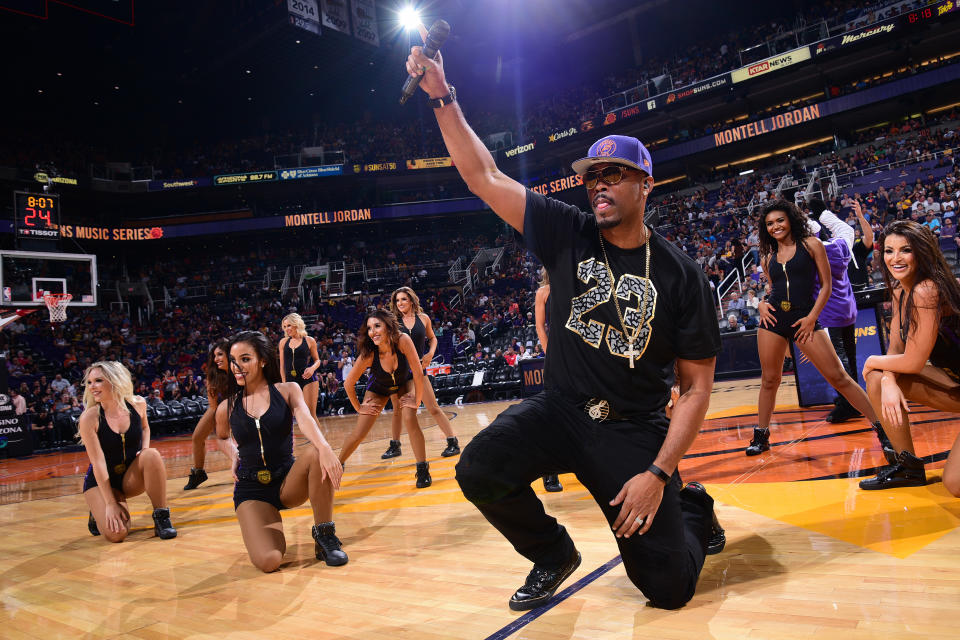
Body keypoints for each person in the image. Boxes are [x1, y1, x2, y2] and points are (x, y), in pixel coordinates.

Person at [406, 35, 724, 612]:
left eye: (614, 173)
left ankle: (693, 509)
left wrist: (658, 471)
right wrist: (441, 96)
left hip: (630, 428)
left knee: (668, 588)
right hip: (559, 409)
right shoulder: (567, 231)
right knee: (479, 468)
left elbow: (697, 388)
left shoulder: (683, 276)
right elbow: (484, 177)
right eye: (591, 174)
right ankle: (552, 552)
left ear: (645, 184)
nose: (598, 183)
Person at [749, 199, 883, 456]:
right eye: (769, 223)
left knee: (839, 377)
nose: (775, 226)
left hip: (805, 318)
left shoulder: (812, 245)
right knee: (769, 380)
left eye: (779, 220)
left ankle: (882, 428)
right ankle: (762, 435)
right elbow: (771, 290)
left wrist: (812, 318)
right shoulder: (768, 257)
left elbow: (827, 286)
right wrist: (761, 305)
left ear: (790, 219)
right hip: (773, 320)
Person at [214, 331, 347, 571]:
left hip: (287, 481)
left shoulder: (287, 390)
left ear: (263, 360)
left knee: (317, 453)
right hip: (252, 489)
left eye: (245, 359)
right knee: (269, 561)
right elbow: (222, 438)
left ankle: (325, 534)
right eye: (234, 361)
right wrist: (234, 453)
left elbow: (305, 418)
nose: (237, 367)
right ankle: (266, 523)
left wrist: (325, 447)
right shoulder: (227, 406)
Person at [857, 221, 960, 491]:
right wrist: (889, 380)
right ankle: (908, 467)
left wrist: (871, 362)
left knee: (955, 484)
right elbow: (896, 350)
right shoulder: (901, 290)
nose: (896, 258)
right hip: (955, 382)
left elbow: (913, 362)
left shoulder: (927, 289)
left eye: (906, 250)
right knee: (879, 379)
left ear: (921, 252)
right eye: (889, 251)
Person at [78, 361, 177, 542]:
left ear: (115, 381)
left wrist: (144, 451)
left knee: (152, 455)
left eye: (98, 380)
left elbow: (145, 428)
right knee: (117, 535)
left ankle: (161, 517)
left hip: (128, 477)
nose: (92, 387)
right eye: (89, 382)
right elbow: (98, 463)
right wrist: (109, 503)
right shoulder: (89, 417)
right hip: (102, 482)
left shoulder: (138, 404)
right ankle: (97, 508)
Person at [340, 310, 428, 487]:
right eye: (370, 328)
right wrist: (359, 408)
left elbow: (418, 374)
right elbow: (348, 383)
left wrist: (417, 401)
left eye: (377, 326)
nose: (373, 331)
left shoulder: (403, 340)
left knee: (410, 416)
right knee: (360, 432)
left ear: (388, 326)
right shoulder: (369, 353)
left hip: (404, 382)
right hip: (378, 389)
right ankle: (336, 465)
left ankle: (422, 469)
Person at [381, 287, 460, 460]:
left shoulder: (423, 319)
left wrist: (430, 354)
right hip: (399, 373)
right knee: (397, 411)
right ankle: (395, 446)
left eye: (403, 299)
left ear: (411, 300)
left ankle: (452, 442)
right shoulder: (393, 322)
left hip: (418, 370)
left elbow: (433, 338)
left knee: (433, 408)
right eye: (397, 300)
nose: (400, 303)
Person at [808, 197, 863, 424]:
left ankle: (849, 404)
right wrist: (823, 212)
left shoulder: (809, 253)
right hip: (847, 308)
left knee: (838, 363)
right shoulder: (840, 244)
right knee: (849, 357)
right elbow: (844, 228)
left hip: (829, 313)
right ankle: (853, 401)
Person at [184, 339, 239, 490]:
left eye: (220, 354)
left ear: (230, 354)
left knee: (227, 438)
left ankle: (241, 462)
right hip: (219, 407)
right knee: (197, 436)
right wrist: (219, 419)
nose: (216, 359)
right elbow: (213, 405)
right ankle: (198, 472)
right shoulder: (213, 374)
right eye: (214, 356)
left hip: (241, 404)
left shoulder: (241, 369)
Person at [534, 268, 563, 493]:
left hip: (582, 353)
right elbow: (540, 326)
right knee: (555, 412)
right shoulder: (543, 292)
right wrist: (549, 353)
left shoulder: (577, 285)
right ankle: (549, 471)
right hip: (558, 354)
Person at [279, 313, 324, 434]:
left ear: (296, 325)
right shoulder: (283, 342)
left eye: (289, 325)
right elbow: (282, 366)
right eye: (284, 326)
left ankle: (323, 445)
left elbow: (318, 360)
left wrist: (312, 369)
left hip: (308, 379)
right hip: (290, 382)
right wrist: (283, 384)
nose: (287, 329)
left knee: (310, 414)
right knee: (289, 416)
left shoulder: (309, 340)